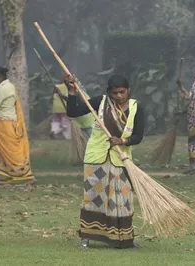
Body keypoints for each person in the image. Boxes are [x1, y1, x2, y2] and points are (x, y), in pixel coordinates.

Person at [66, 74, 145, 249]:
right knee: (94, 196)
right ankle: (87, 237)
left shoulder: (136, 107)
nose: (119, 96)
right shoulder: (99, 102)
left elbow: (138, 136)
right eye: (115, 93)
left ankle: (124, 238)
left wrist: (123, 141)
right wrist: (71, 91)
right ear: (109, 92)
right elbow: (72, 112)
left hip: (121, 160)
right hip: (96, 158)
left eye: (122, 92)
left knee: (122, 198)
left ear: (128, 91)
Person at [0, 67, 35, 185]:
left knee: (10, 150)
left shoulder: (3, 89)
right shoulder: (8, 86)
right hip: (1, 122)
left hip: (6, 123)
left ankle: (25, 175)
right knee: (0, 149)